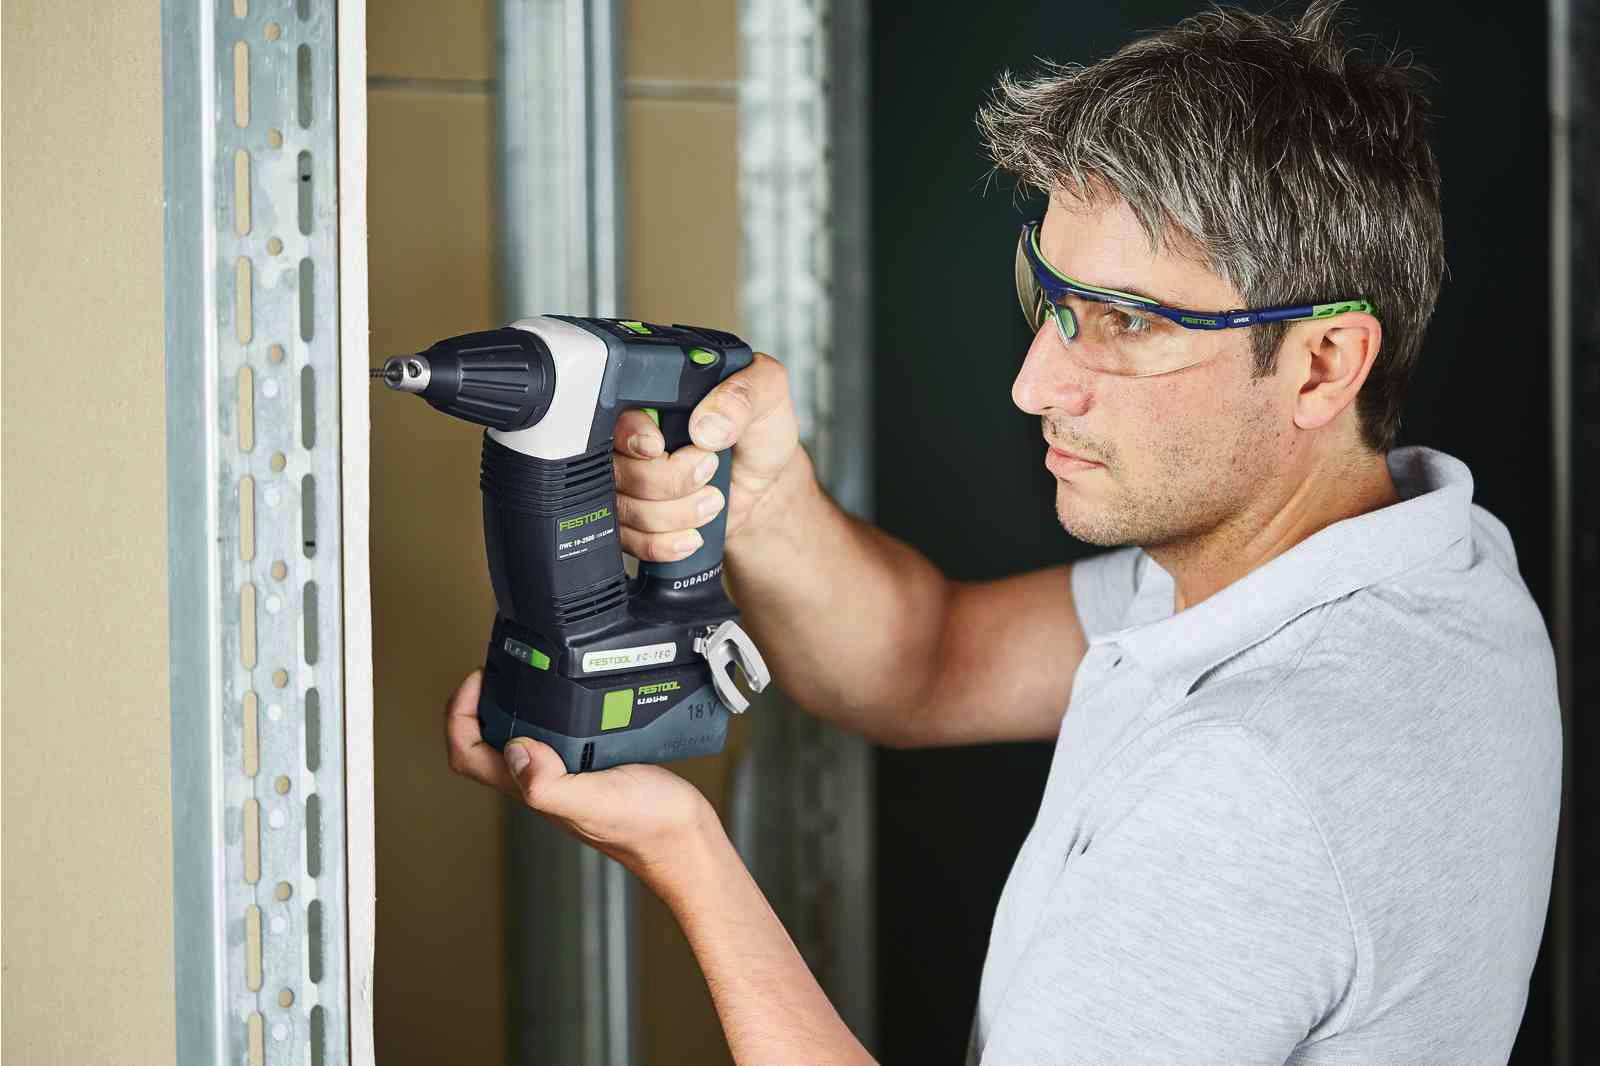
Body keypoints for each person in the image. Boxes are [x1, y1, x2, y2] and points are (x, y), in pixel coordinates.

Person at [443, 2, 1561, 1062]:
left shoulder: (1248, 786)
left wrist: (684, 853)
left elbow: (1242, 782)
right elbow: (930, 663)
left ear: (1322, 364)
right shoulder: (1424, 567)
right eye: (1051, 298)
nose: (1035, 384)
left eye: (1125, 324)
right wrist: (764, 496)